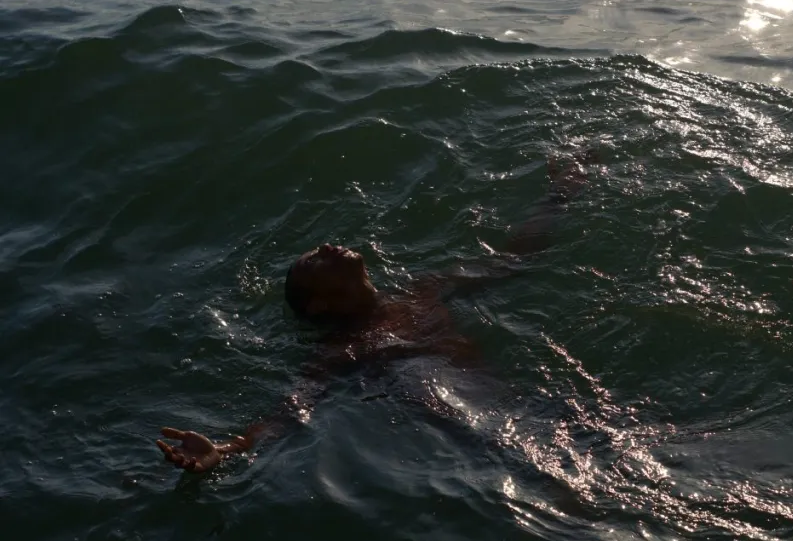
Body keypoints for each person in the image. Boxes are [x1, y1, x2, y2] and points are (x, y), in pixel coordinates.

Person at [156, 150, 595, 473]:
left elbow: (513, 259)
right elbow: (287, 415)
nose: (327, 246)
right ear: (320, 303)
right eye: (314, 260)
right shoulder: (343, 350)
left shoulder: (421, 291)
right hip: (478, 434)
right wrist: (226, 450)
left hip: (527, 408)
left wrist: (560, 194)